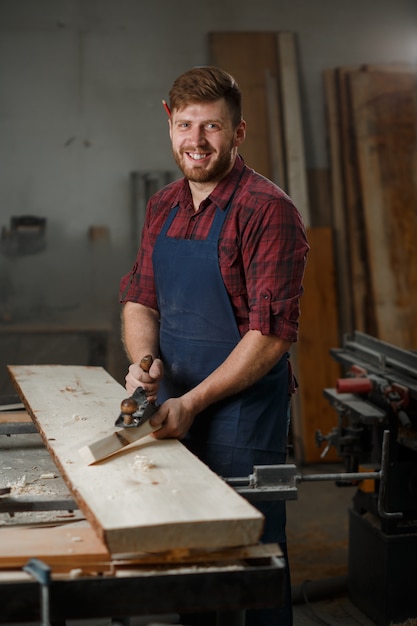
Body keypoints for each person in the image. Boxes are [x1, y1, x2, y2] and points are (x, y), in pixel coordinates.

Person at [119, 65, 309, 626]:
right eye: (185, 125)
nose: (196, 142)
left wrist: (194, 402)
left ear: (238, 132)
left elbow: (270, 335)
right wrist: (144, 363)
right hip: (173, 398)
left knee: (248, 553)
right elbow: (140, 299)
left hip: (242, 410)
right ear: (168, 122)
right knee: (191, 555)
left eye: (212, 128)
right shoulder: (163, 205)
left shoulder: (267, 210)